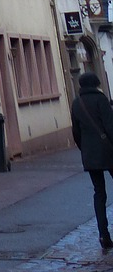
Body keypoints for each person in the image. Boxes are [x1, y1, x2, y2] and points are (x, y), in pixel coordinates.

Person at [71, 71, 113, 250]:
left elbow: (76, 132)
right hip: (108, 151)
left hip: (89, 153)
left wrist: (85, 149)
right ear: (96, 83)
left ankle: (103, 234)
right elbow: (110, 126)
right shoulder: (101, 99)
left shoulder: (76, 103)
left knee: (99, 193)